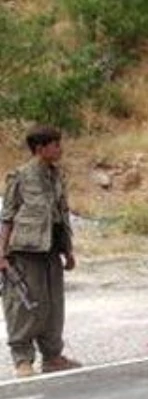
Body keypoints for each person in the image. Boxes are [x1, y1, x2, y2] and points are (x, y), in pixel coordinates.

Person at [0, 126, 81, 378]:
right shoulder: (21, 177)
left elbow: (61, 215)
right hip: (26, 251)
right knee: (23, 306)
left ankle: (52, 355)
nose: (59, 149)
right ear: (40, 148)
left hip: (51, 251)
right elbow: (8, 217)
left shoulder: (56, 176)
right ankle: (23, 359)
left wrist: (68, 250)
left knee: (53, 306)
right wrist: (2, 253)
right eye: (55, 145)